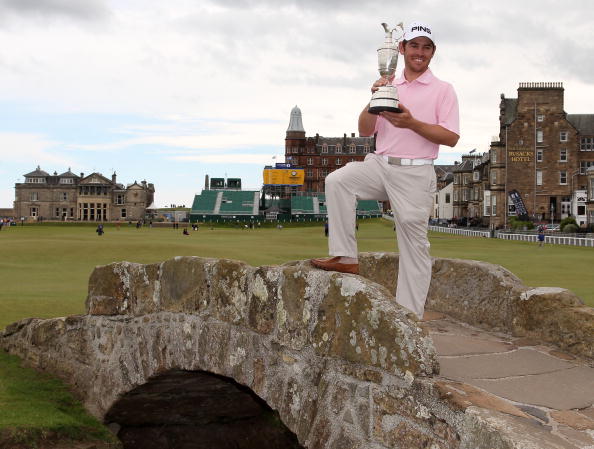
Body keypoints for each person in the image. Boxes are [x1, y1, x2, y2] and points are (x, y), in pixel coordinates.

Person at [311, 21, 459, 319]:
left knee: (414, 248)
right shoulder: (390, 83)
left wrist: (411, 123)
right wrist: (374, 98)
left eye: (426, 47)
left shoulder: (443, 90)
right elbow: (365, 130)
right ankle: (346, 256)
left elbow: (451, 138)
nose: (420, 52)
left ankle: (409, 321)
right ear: (402, 49)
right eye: (414, 46)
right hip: (380, 164)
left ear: (433, 52)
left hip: (416, 172)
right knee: (338, 180)